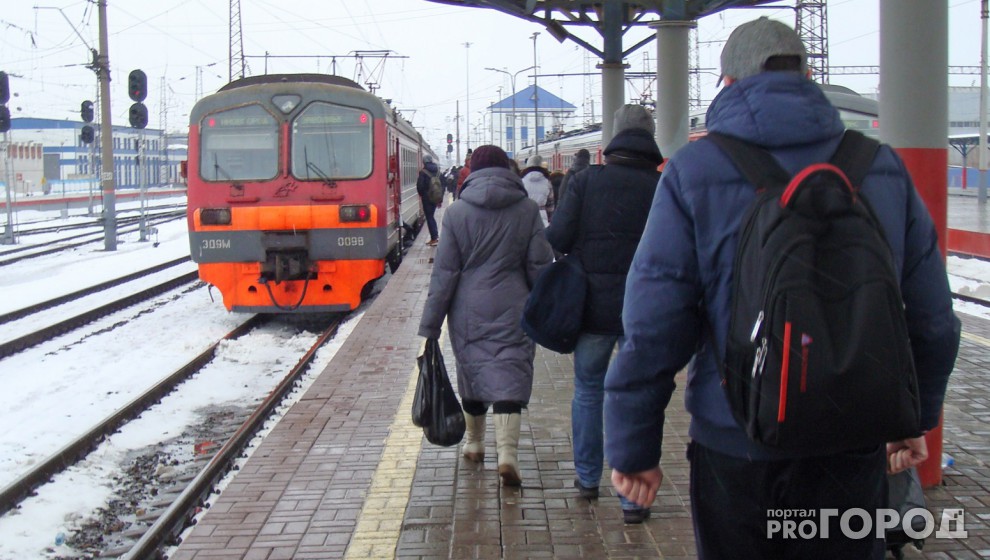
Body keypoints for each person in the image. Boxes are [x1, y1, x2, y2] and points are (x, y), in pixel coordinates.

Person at [603, 17, 960, 558]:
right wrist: (915, 419)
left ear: (726, 84)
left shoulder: (695, 171)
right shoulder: (880, 167)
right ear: (808, 75)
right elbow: (933, 318)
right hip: (853, 439)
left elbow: (653, 325)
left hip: (736, 444)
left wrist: (634, 446)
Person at [545, 104, 662, 524]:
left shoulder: (584, 181)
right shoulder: (662, 186)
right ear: (650, 138)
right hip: (645, 311)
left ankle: (588, 479)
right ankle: (633, 500)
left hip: (592, 308)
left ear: (612, 137)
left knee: (588, 389)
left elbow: (556, 237)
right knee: (637, 397)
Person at [419, 145, 553, 487]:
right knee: (511, 373)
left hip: (468, 309)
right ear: (508, 169)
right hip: (515, 306)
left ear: (473, 172)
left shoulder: (457, 213)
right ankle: (508, 454)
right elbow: (540, 264)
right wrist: (546, 308)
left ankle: (475, 444)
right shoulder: (526, 210)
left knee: (473, 373)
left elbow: (445, 274)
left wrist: (430, 325)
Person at [520, 155, 553, 226]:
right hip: (542, 215)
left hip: (525, 215)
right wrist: (550, 218)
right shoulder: (547, 182)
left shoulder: (521, 181)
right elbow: (550, 204)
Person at [416, 155, 441, 246]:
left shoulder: (423, 172)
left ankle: (434, 238)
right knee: (431, 216)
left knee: (430, 217)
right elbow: (442, 185)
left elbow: (420, 186)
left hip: (427, 198)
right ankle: (435, 237)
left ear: (424, 162)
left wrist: (423, 195)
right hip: (435, 196)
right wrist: (439, 199)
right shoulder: (438, 171)